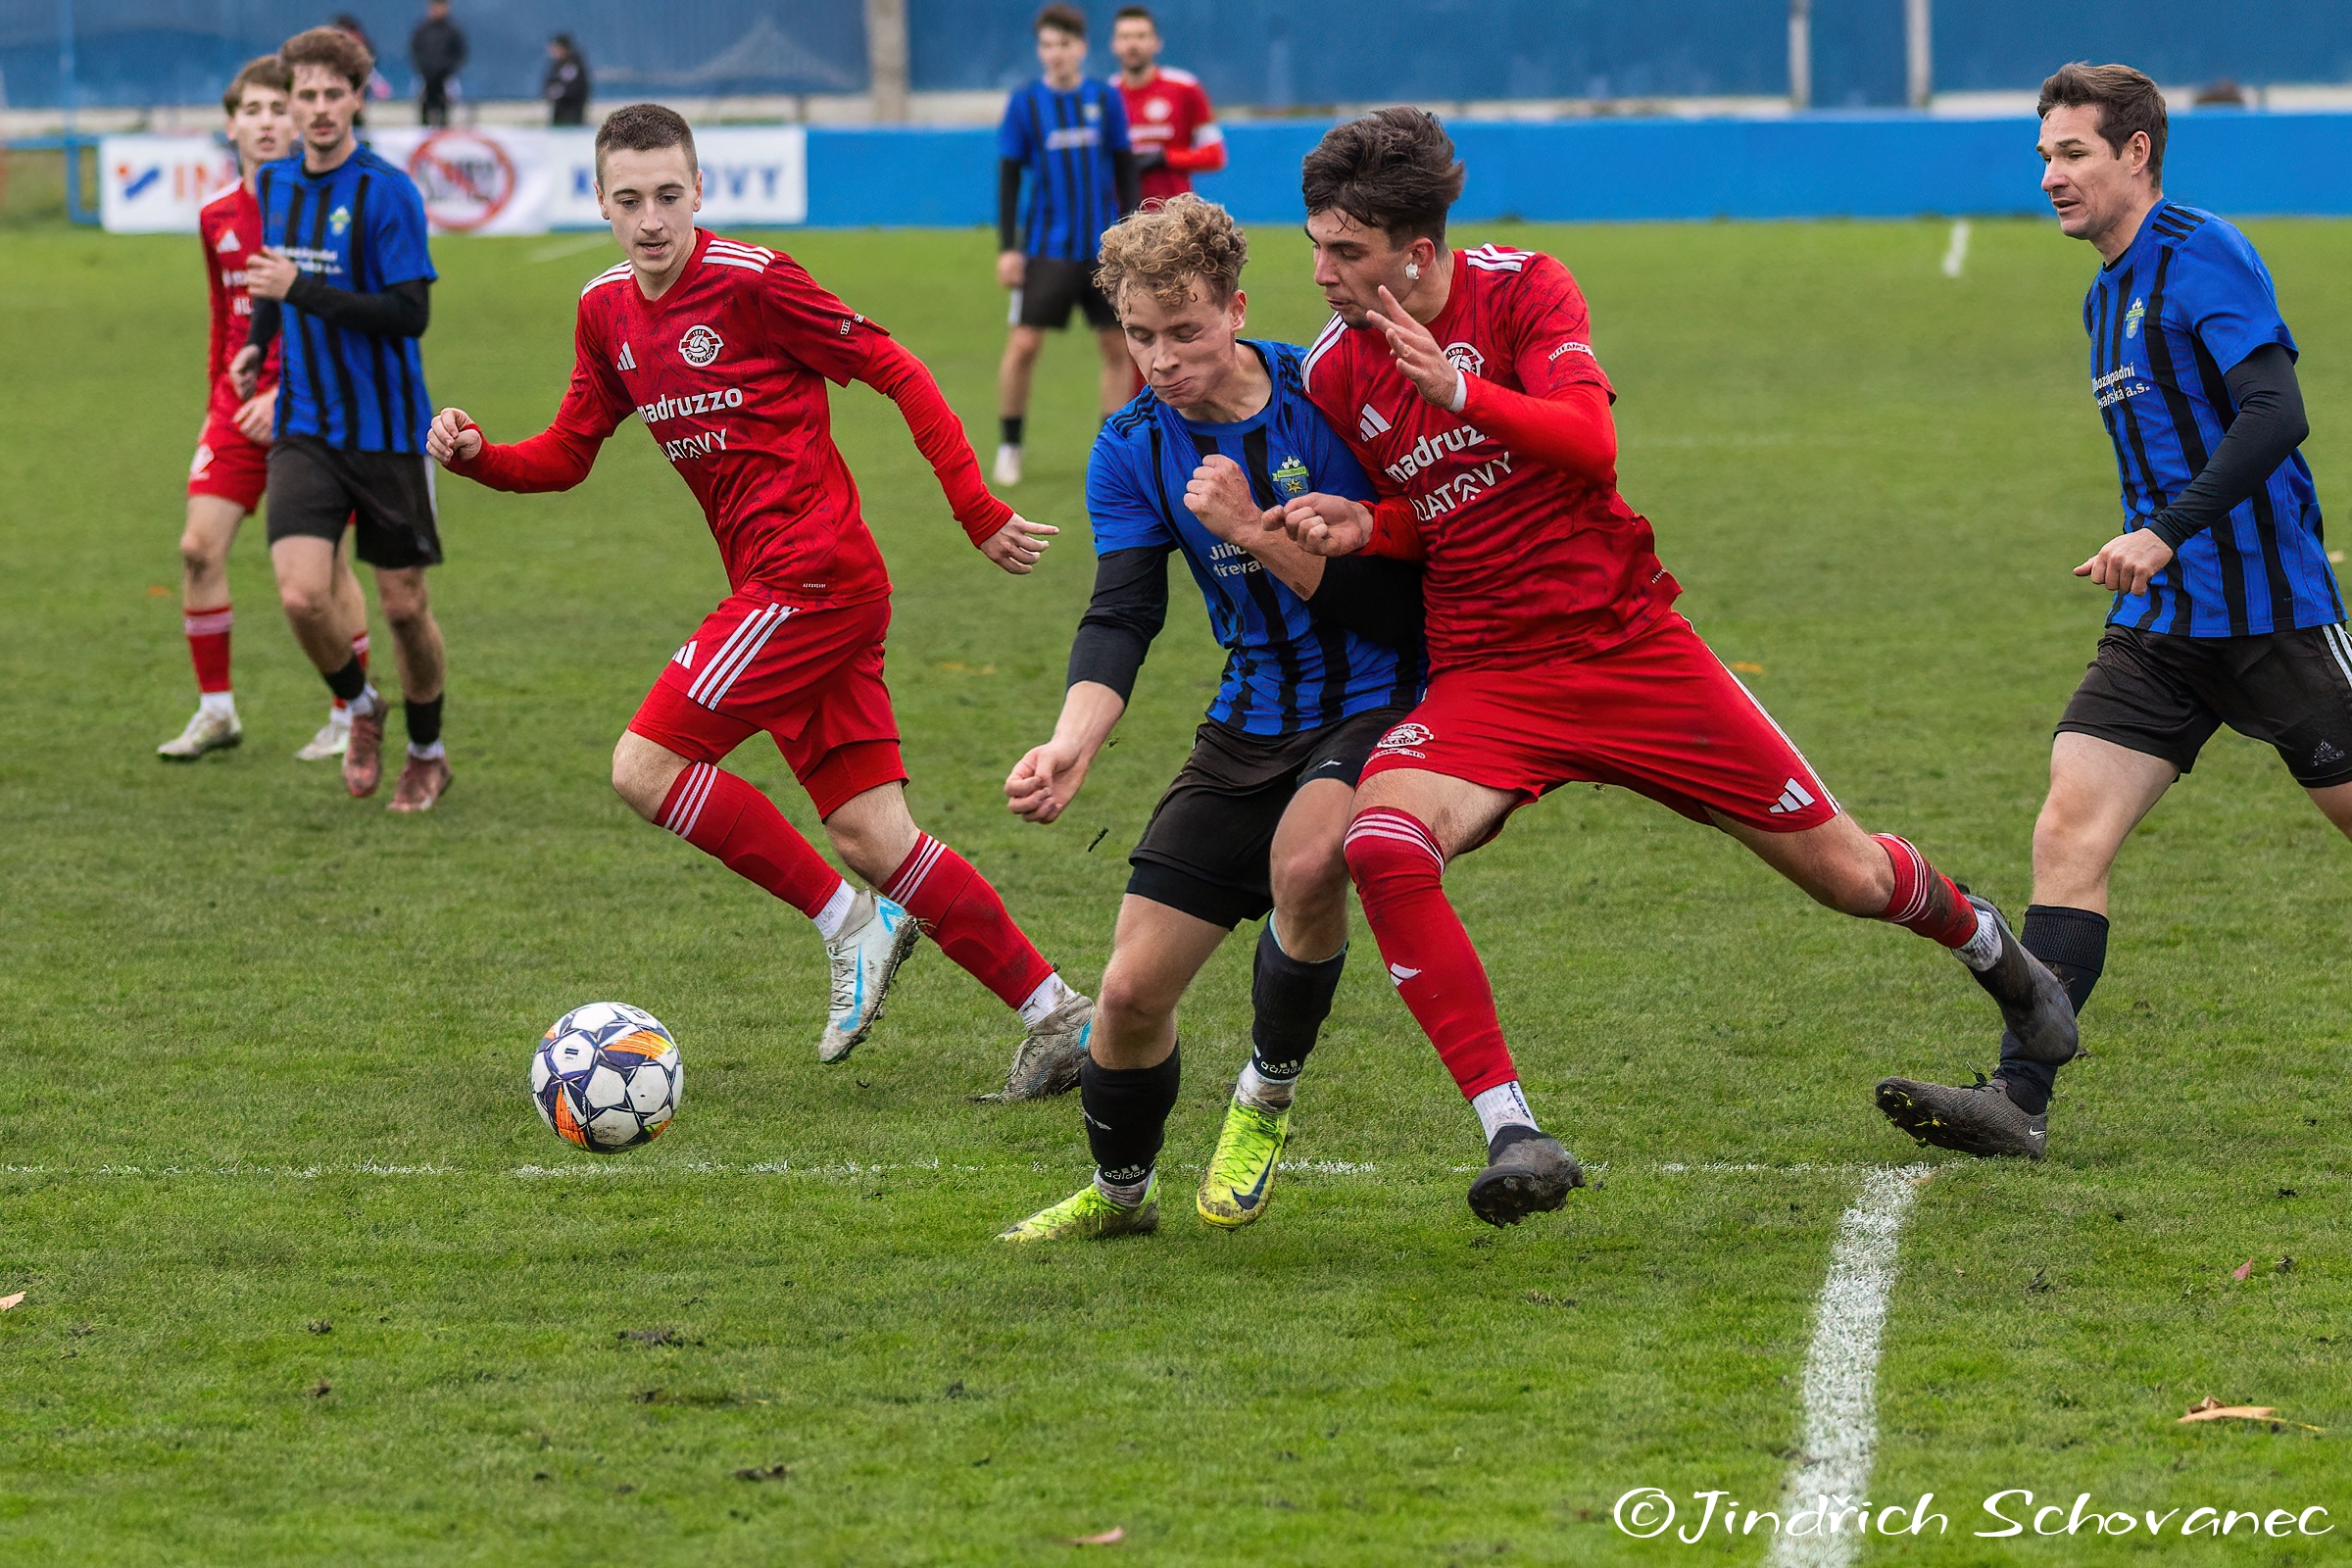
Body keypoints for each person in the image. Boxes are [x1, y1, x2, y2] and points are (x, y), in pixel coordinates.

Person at [1271, 109, 2077, 1226]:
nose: (1319, 273)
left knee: (1849, 877)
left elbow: (1590, 446)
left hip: (1627, 648)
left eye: (1344, 251)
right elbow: (1432, 514)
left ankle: (1995, 953)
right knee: (1381, 844)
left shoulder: (1524, 289)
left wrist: (1461, 391)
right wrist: (1369, 525)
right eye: (1314, 245)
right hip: (1489, 675)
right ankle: (1513, 1130)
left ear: (1415, 252)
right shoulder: (1334, 369)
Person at [424, 104, 1096, 1085]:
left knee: (644, 766)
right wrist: (482, 457)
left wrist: (974, 504)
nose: (651, 219)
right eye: (629, 200)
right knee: (873, 835)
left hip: (811, 577)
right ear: (600, 203)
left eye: (669, 195)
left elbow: (896, 367)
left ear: (700, 191)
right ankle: (1060, 1015)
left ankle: (850, 923)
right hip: (794, 590)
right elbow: (568, 452)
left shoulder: (755, 281)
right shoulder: (605, 310)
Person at [1877, 64, 2352, 1160]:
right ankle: (2019, 1101)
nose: (2051, 175)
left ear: (2137, 153)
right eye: (2044, 155)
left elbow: (2276, 413)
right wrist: (2156, 545)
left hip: (2272, 613)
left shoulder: (2203, 252)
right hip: (2162, 624)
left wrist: (2164, 530)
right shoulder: (2105, 294)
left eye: (2073, 153)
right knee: (2068, 830)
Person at [997, 196, 1425, 1243]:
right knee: (1129, 993)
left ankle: (1264, 1099)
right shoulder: (1131, 444)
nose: (1161, 360)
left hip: (1379, 695)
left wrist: (1250, 529)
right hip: (1250, 713)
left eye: (1184, 331)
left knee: (1307, 864)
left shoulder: (1327, 394)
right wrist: (1071, 743)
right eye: (1140, 335)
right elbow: (1122, 614)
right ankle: (1120, 1196)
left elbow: (1393, 604)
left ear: (1235, 310)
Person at [233, 24, 453, 810]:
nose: (320, 108)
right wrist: (259, 342)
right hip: (307, 428)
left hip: (389, 431)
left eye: (335, 93)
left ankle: (427, 752)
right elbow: (275, 280)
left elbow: (409, 314)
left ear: (358, 98)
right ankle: (361, 705)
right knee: (300, 596)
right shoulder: (275, 184)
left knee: (404, 608)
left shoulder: (388, 191)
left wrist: (300, 292)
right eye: (308, 95)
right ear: (291, 102)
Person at [160, 55, 370, 764]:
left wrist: (285, 395)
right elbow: (226, 319)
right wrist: (217, 402)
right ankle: (216, 711)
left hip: (315, 407)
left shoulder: (324, 209)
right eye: (252, 110)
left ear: (300, 118)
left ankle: (352, 713)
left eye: (279, 108)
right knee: (197, 550)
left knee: (326, 571)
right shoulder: (215, 215)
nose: (267, 122)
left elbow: (346, 318)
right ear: (231, 126)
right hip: (236, 407)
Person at [992, 2, 1141, 488]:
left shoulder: (1104, 98)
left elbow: (1125, 167)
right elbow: (1009, 179)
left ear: (1081, 48)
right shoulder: (1025, 103)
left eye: (1063, 44)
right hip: (1046, 248)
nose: (1054, 53)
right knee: (1023, 344)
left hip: (1103, 250)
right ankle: (1010, 445)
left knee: (1116, 345)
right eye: (1046, 45)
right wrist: (1009, 248)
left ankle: (1109, 451)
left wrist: (1131, 229)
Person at [1108, 6, 1224, 207]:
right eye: (1125, 37)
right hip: (1124, 216)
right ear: (1114, 44)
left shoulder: (1184, 87)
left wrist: (1164, 158)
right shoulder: (1106, 96)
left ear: (1157, 42)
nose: (1132, 44)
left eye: (1141, 36)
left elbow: (1215, 155)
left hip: (1176, 215)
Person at [410, 0, 466, 128]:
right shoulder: (422, 31)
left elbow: (459, 54)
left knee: (447, 104)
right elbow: (415, 52)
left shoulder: (453, 31)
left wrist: (447, 70)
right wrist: (424, 69)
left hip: (446, 78)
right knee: (422, 102)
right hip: (425, 77)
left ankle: (445, 130)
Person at [544, 34, 591, 127]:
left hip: (571, 113)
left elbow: (572, 88)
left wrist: (557, 91)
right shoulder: (557, 64)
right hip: (559, 111)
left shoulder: (572, 64)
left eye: (556, 48)